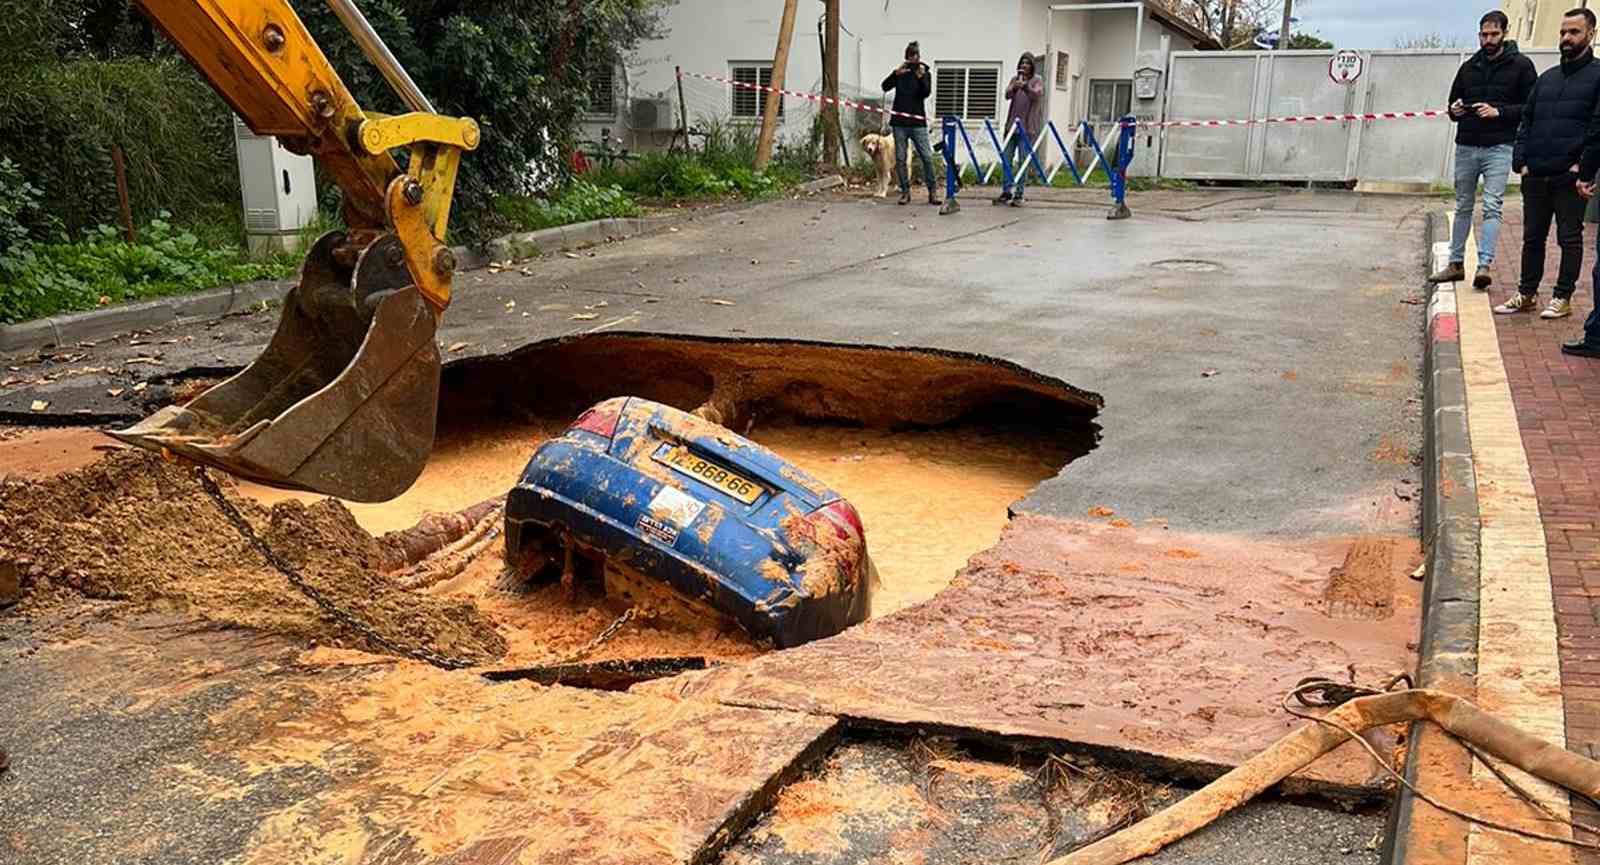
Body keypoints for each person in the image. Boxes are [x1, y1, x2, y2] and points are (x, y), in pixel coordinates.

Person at [1503, 8, 1600, 320]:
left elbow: (1598, 128)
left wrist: (1582, 169)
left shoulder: (1598, 75)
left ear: (1591, 35)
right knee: (1532, 237)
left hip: (1569, 176)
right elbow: (1526, 121)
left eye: (1574, 32)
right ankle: (1527, 293)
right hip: (1536, 174)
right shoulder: (1547, 78)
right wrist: (1521, 162)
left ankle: (1562, 297)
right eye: (1562, 32)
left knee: (1569, 238)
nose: (1566, 39)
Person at [1428, 10, 1536, 289]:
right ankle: (1455, 264)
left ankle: (1484, 266)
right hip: (1466, 145)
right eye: (1484, 35)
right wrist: (1454, 110)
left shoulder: (1522, 66)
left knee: (1492, 207)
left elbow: (1530, 108)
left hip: (1499, 147)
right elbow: (1453, 104)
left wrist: (1499, 112)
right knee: (1463, 205)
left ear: (1504, 33)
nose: (1488, 40)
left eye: (1494, 34)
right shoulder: (1468, 67)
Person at [881, 41, 941, 206]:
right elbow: (885, 87)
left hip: (918, 123)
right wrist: (895, 74)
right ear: (906, 58)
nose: (914, 61)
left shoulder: (924, 72)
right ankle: (905, 192)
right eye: (911, 58)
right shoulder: (901, 73)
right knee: (900, 158)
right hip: (899, 123)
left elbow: (926, 93)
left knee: (927, 157)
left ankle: (932, 192)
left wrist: (921, 78)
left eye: (916, 57)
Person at [995, 52, 1046, 207]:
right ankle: (1006, 191)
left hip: (1027, 128)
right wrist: (1015, 86)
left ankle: (1019, 194)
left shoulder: (1037, 81)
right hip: (1012, 127)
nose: (1024, 66)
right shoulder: (1015, 80)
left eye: (1027, 63)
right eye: (1022, 63)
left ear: (1032, 66)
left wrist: (1025, 86)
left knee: (1022, 162)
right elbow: (1007, 94)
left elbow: (1036, 95)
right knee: (1006, 159)